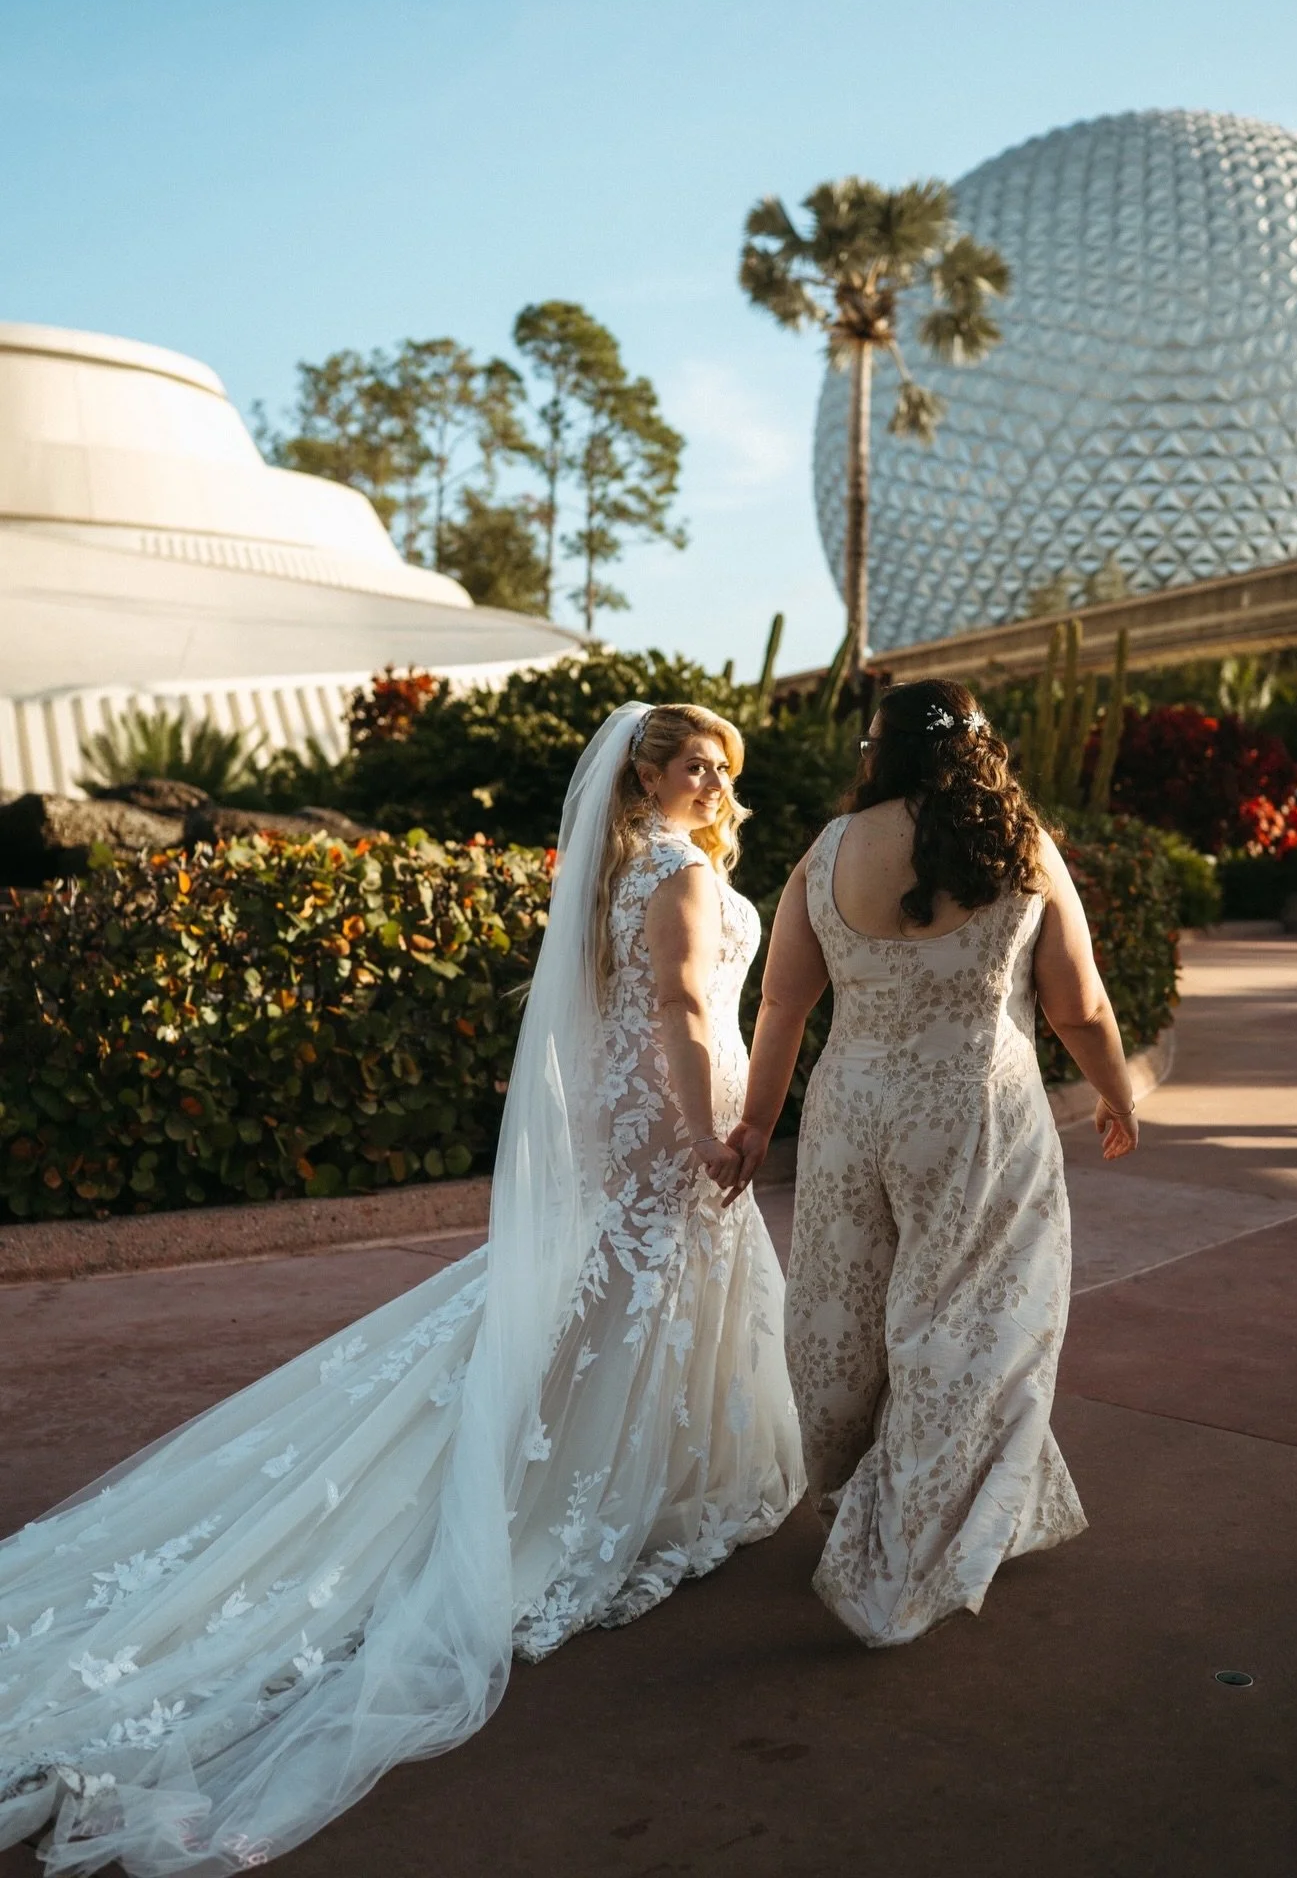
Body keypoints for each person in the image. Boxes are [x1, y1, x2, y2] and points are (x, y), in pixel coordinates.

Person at [0, 703, 802, 1876]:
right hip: (670, 1112)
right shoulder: (675, 872)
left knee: (614, 1290)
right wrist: (708, 1129)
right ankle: (572, 1478)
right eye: (694, 765)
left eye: (724, 768)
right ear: (645, 776)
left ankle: (606, 1457)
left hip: (629, 1109)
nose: (715, 784)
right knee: (630, 1287)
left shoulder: (615, 872)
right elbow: (682, 1006)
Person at [725, 677, 1138, 1647]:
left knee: (841, 1310)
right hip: (973, 1114)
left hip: (850, 1113)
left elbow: (783, 1004)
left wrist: (755, 1125)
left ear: (880, 752)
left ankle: (852, 1495)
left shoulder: (831, 849)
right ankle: (906, 1545)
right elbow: (1078, 1005)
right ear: (983, 750)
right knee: (971, 1323)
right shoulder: (1021, 848)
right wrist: (1117, 1092)